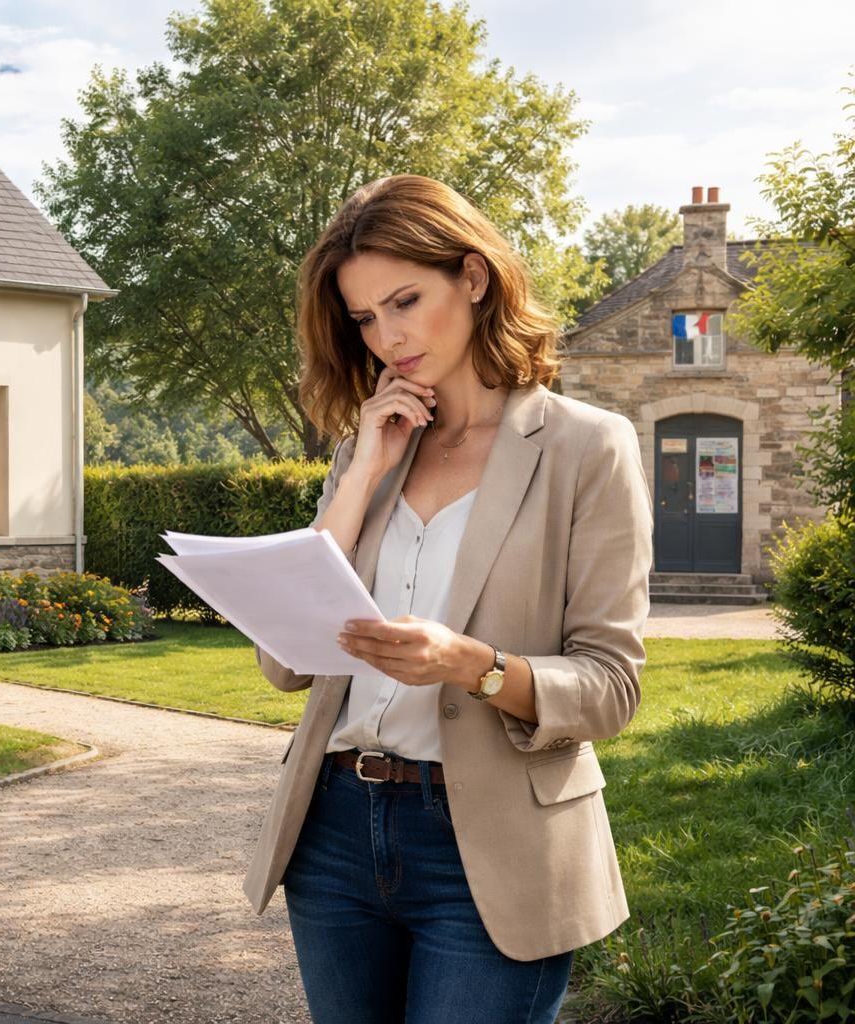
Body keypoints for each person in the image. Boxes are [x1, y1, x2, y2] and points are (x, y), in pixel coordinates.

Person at [243, 174, 651, 1023]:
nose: (388, 338)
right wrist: (361, 475)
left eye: (405, 301)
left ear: (473, 278)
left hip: (493, 846)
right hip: (337, 831)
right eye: (364, 318)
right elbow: (283, 662)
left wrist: (473, 665)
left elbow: (612, 686)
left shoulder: (586, 448)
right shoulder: (367, 452)